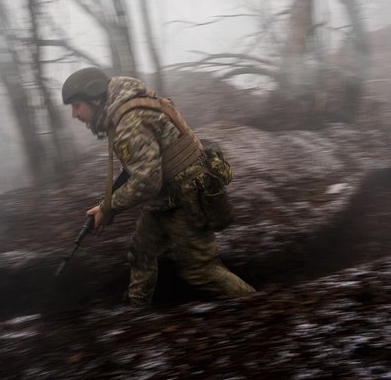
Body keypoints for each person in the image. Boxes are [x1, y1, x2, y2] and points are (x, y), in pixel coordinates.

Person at [62, 67, 255, 306]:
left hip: (186, 197)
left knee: (202, 271)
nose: (74, 114)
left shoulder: (129, 122)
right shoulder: (126, 110)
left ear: (95, 97)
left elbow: (146, 182)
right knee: (141, 251)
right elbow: (141, 168)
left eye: (76, 105)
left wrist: (109, 206)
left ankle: (260, 306)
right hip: (167, 196)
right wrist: (107, 206)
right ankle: (137, 311)